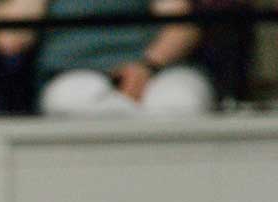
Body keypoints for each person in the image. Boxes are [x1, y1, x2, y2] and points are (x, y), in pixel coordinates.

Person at [35, 0, 212, 117]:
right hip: (73, 73)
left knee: (180, 102)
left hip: (156, 69)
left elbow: (182, 27)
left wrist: (147, 67)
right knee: (79, 105)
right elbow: (12, 40)